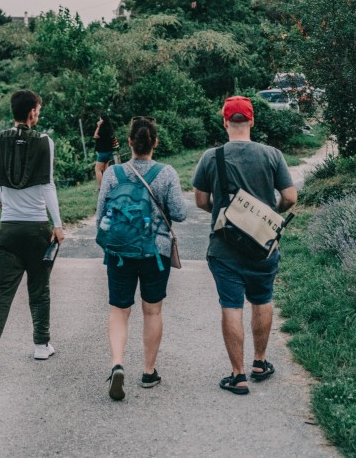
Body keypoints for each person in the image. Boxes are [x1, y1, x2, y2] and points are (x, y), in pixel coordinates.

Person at [191, 96, 297, 395]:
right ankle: (260, 363)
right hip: (263, 244)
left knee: (231, 305)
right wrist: (266, 213)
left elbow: (200, 201)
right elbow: (290, 197)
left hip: (225, 248)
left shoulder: (211, 157)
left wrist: (228, 213)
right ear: (252, 121)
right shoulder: (272, 155)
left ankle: (237, 376)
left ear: (225, 122)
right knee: (262, 299)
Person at [97, 116, 186, 400]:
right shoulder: (167, 173)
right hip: (155, 253)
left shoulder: (113, 174)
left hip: (120, 252)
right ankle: (149, 372)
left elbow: (100, 216)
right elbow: (181, 213)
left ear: (129, 143)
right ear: (155, 143)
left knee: (119, 311)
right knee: (152, 311)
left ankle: (117, 364)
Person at [0, 89, 65, 373]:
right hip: (37, 228)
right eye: (38, 110)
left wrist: (3, 202)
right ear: (31, 113)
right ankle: (41, 346)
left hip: (8, 229)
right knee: (39, 288)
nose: (38, 115)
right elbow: (47, 185)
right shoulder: (44, 142)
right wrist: (58, 224)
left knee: (1, 289)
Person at [92, 114, 117, 187]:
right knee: (106, 169)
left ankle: (101, 187)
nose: (99, 121)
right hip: (109, 151)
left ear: (102, 121)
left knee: (97, 169)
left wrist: (98, 126)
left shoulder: (102, 130)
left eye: (100, 120)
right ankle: (108, 185)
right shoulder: (109, 129)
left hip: (103, 152)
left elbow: (95, 135)